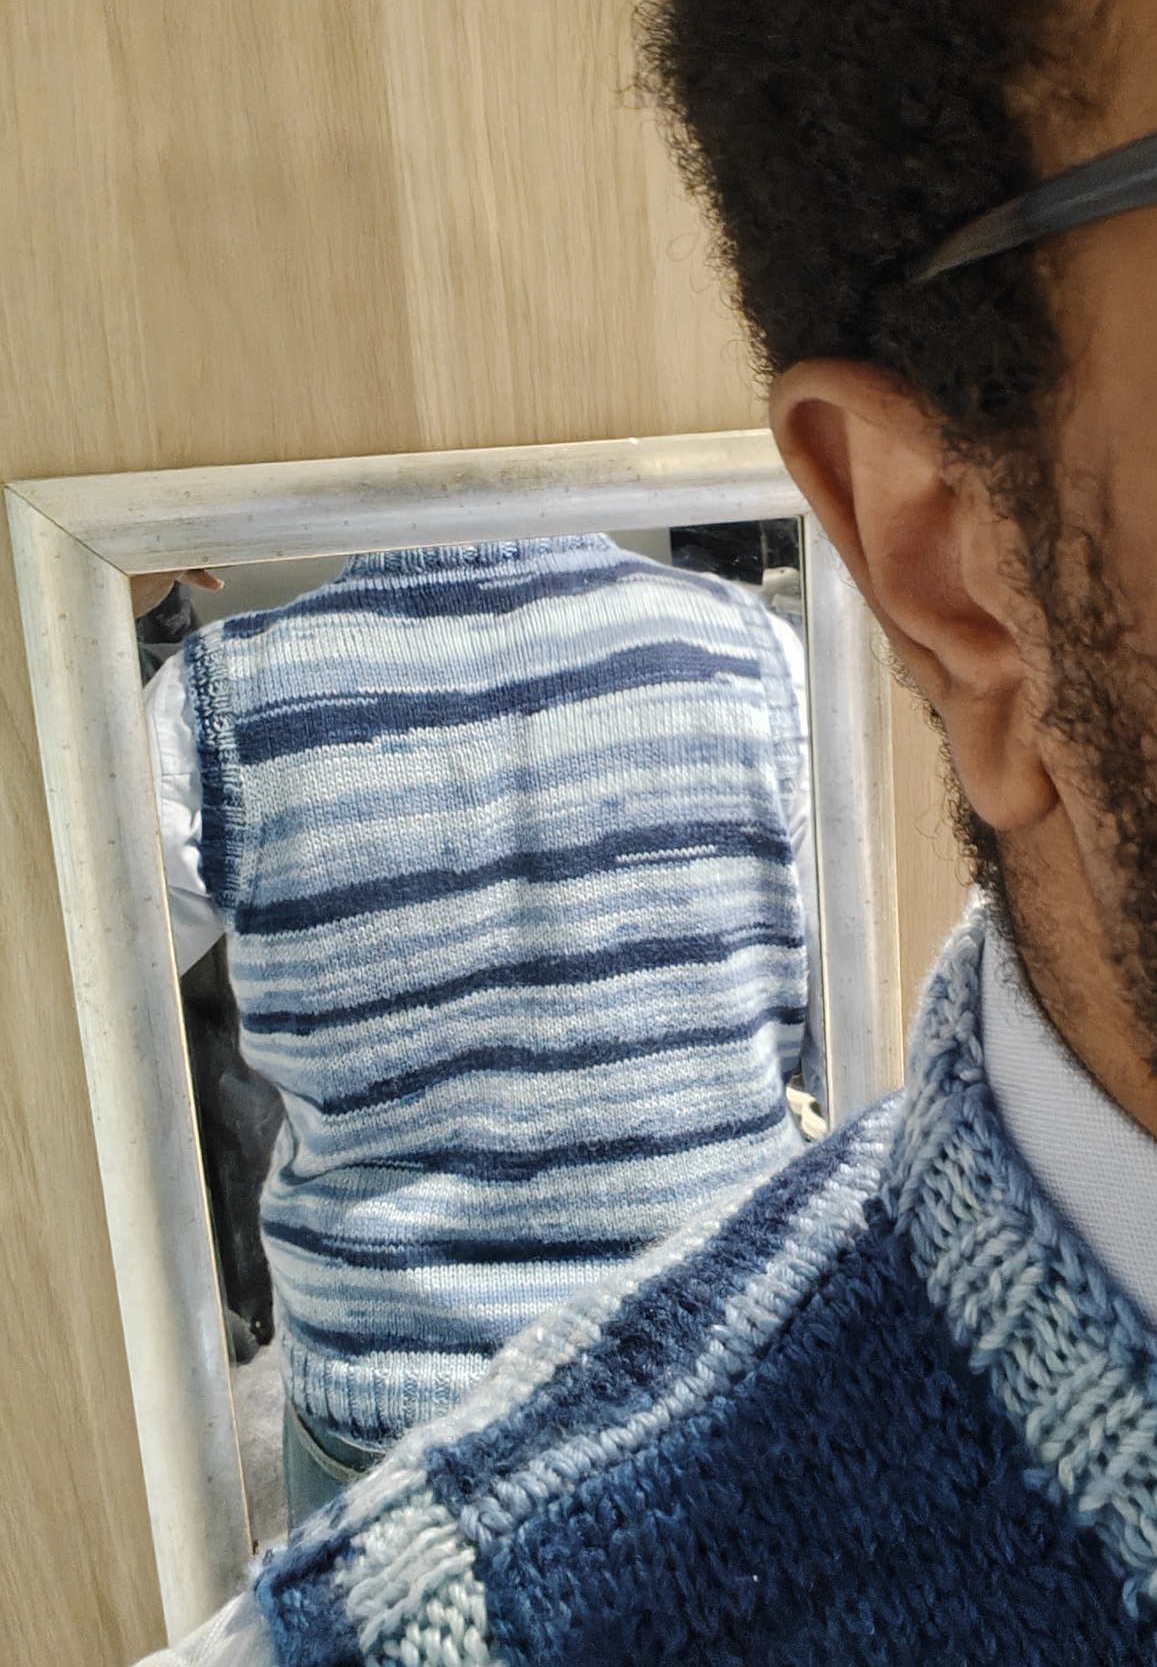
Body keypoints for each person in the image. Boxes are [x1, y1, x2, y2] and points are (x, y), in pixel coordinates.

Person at [143, 0, 1157, 1660]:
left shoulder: (231, 710)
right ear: (959, 576)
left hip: (373, 1372)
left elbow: (126, 962)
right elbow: (787, 1007)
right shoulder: (732, 662)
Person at [141, 534, 816, 1524]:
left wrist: (91, 599)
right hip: (717, 1358)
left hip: (395, 1403)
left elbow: (56, 996)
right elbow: (847, 1025)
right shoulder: (755, 658)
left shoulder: (218, 703)